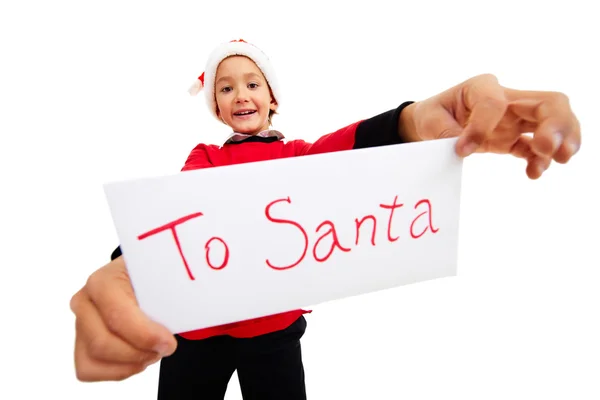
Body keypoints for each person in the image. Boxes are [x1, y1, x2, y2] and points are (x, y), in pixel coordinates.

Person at [69, 38, 581, 399]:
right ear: (218, 110)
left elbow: (349, 148)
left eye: (251, 83)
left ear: (272, 97)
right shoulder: (204, 156)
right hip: (196, 337)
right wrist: (128, 264)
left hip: (274, 332)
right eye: (225, 89)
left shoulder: (298, 156)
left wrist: (408, 121)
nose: (240, 94)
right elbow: (176, 213)